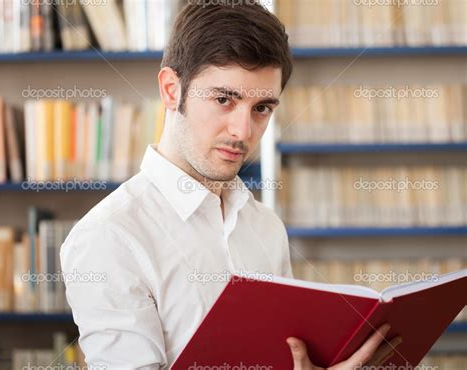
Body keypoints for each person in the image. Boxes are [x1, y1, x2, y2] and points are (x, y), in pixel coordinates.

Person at [60, 2, 401, 369]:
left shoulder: (265, 226)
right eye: (224, 100)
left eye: (262, 108)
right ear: (172, 90)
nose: (243, 132)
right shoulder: (108, 237)